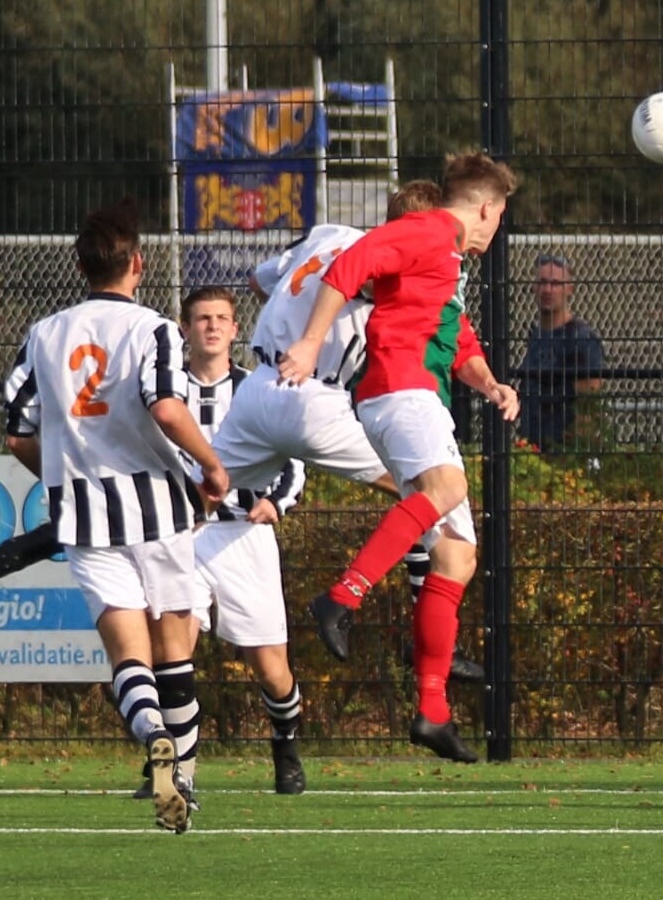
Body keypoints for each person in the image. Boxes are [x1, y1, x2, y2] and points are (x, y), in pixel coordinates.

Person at [275, 151, 520, 764]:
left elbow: (456, 337)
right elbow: (349, 266)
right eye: (500, 215)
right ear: (486, 207)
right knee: (446, 489)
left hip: (415, 396)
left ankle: (432, 712)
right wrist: (307, 345)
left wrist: (489, 384)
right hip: (401, 389)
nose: (496, 228)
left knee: (457, 555)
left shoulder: (449, 258)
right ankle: (341, 597)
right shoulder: (432, 228)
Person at [2, 200, 228, 834]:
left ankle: (153, 736)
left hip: (85, 518)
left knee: (128, 654)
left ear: (80, 266)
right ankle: (181, 769)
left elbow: (19, 431)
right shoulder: (153, 327)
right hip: (157, 506)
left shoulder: (44, 333)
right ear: (138, 263)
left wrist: (65, 471)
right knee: (175, 649)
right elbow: (164, 407)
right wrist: (211, 465)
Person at [213, 178, 485, 683]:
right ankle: (422, 630)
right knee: (433, 494)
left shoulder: (325, 234)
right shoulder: (399, 258)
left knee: (189, 495)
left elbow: (259, 281)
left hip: (257, 388)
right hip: (315, 399)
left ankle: (69, 531)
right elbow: (356, 282)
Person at [176, 285, 311, 796]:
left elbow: (293, 458)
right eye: (201, 318)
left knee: (270, 668)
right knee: (175, 647)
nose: (211, 326)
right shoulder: (164, 392)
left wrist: (276, 503)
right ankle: (174, 766)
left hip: (243, 539)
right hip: (182, 537)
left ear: (236, 330)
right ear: (185, 328)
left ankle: (286, 746)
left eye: (221, 318)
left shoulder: (258, 387)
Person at [516, 252, 603, 451]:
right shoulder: (536, 336)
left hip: (562, 452)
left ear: (569, 289)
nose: (548, 290)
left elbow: (589, 407)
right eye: (543, 282)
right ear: (534, 287)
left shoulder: (581, 338)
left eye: (556, 284)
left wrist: (574, 453)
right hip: (532, 449)